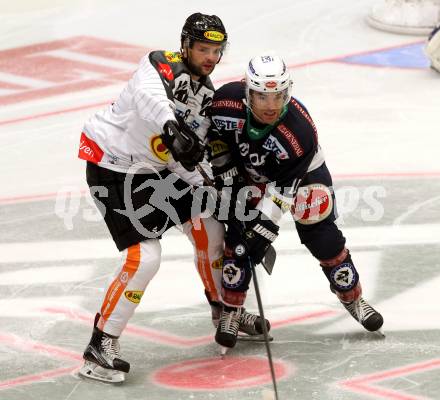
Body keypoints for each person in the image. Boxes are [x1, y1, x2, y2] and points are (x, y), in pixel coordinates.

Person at [76, 13, 266, 383]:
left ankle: (223, 308)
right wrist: (172, 127)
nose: (211, 57)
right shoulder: (158, 64)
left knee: (210, 227)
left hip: (155, 169)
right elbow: (150, 100)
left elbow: (183, 158)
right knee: (144, 258)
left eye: (217, 50)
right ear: (185, 46)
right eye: (203, 48)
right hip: (113, 165)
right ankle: (100, 344)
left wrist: (210, 187)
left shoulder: (205, 95)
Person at [206, 54, 384, 350]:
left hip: (300, 174)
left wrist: (264, 227)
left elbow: (284, 190)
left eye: (278, 96)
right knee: (238, 236)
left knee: (321, 234)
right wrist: (224, 166)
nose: (271, 106)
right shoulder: (225, 101)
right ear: (248, 91)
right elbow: (214, 133)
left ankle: (352, 296)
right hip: (248, 173)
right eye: (262, 96)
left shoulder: (299, 131)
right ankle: (231, 309)